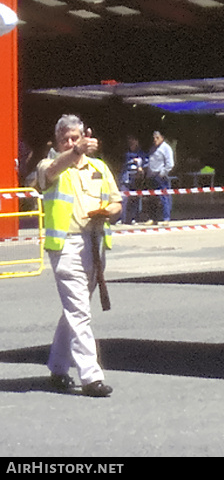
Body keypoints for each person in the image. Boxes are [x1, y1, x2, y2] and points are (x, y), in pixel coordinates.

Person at [36, 115, 122, 397]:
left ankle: (58, 367)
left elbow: (116, 202)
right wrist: (76, 151)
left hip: (95, 244)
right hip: (66, 247)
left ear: (84, 135)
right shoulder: (51, 165)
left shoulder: (99, 167)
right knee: (79, 311)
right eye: (66, 140)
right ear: (57, 142)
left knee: (74, 310)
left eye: (76, 138)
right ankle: (91, 377)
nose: (71, 143)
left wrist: (110, 211)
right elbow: (48, 175)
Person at [146, 129, 175, 224]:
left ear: (162, 138)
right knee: (152, 199)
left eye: (157, 137)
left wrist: (162, 173)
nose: (155, 139)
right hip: (151, 177)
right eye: (154, 137)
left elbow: (170, 164)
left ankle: (166, 219)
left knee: (164, 198)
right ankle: (152, 218)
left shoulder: (166, 148)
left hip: (161, 177)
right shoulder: (152, 148)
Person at [118, 135, 147, 225]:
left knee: (135, 199)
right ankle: (121, 219)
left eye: (133, 141)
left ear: (137, 142)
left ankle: (133, 218)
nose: (132, 144)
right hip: (125, 179)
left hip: (136, 179)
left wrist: (140, 166)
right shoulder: (125, 154)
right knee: (123, 198)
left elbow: (146, 164)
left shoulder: (142, 154)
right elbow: (120, 165)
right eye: (130, 142)